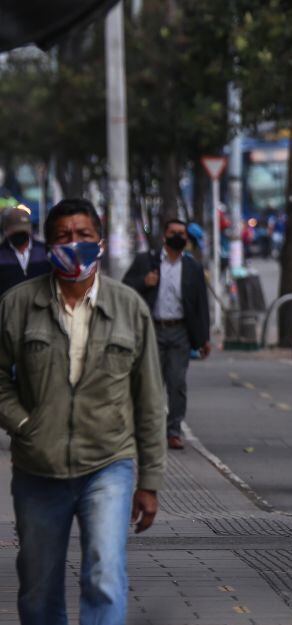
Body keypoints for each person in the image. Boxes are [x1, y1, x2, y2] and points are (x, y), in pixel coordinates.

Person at [0, 198, 165, 625]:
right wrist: (23, 424)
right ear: (49, 245)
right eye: (63, 237)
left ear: (100, 242)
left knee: (105, 575)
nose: (74, 244)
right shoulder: (18, 305)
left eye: (84, 235)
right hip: (39, 468)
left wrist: (150, 481)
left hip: (108, 464)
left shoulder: (129, 307)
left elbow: (149, 398)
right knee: (38, 588)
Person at [122, 218, 212, 450]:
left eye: (182, 233)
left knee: (177, 382)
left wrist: (204, 338)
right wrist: (144, 282)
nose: (178, 236)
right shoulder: (146, 261)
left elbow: (201, 304)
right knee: (150, 383)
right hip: (152, 329)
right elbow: (125, 289)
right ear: (164, 236)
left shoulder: (192, 267)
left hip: (180, 331)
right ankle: (147, 430)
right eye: (173, 232)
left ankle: (173, 431)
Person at [0, 205, 50, 297]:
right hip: (9, 305)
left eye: (23, 231)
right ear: (6, 230)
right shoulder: (1, 254)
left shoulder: (44, 251)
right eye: (16, 231)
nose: (20, 234)